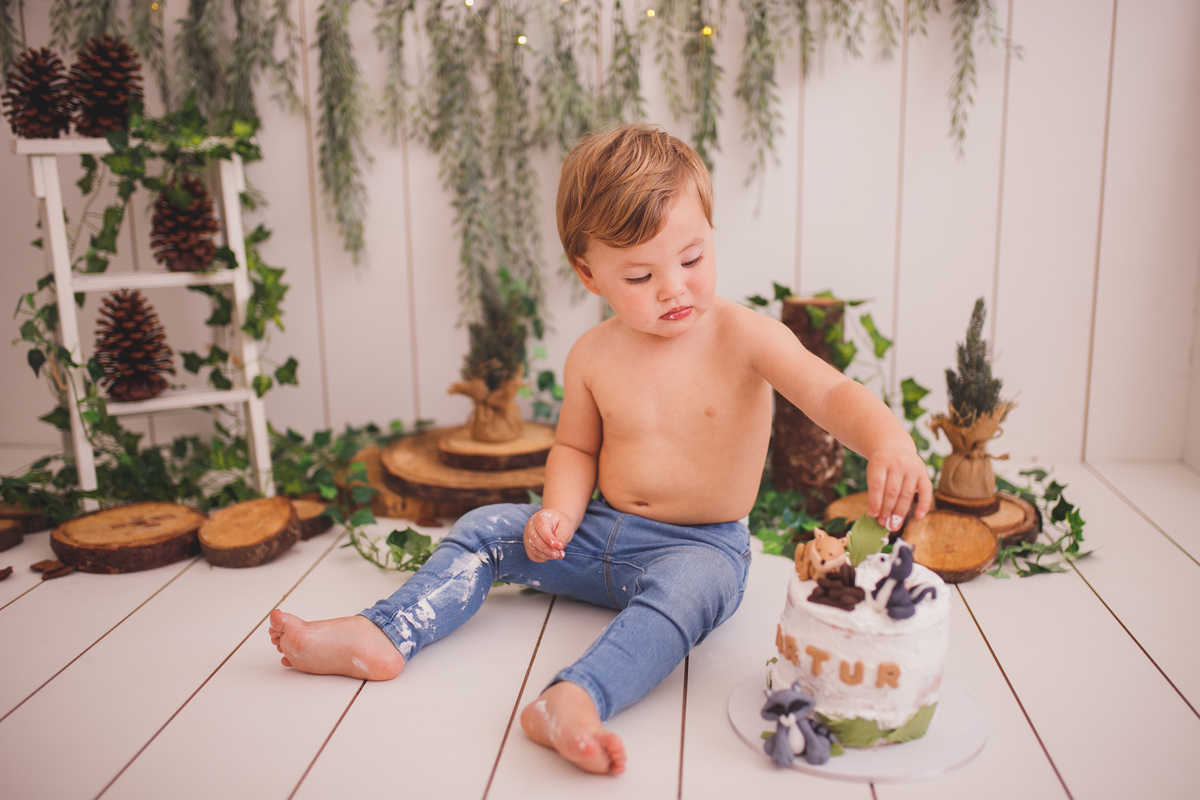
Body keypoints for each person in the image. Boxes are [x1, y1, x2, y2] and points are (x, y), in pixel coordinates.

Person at [268, 123, 932, 776]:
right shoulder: (593, 354)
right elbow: (575, 448)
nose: (674, 287)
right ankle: (387, 630)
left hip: (698, 548)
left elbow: (829, 393)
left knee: (687, 596)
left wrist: (888, 440)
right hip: (593, 535)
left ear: (711, 239)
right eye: (640, 275)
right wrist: (556, 513)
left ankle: (575, 696)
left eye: (692, 259)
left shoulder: (745, 337)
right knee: (482, 529)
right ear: (590, 275)